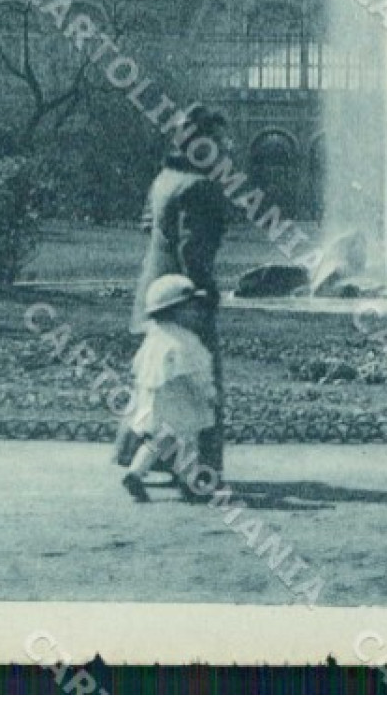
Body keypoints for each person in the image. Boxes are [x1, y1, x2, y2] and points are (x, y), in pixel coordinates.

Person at [129, 103, 230, 474]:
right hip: (182, 297)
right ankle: (201, 468)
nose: (225, 147)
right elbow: (193, 248)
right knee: (196, 380)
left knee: (158, 382)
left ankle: (141, 459)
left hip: (154, 291)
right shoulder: (200, 186)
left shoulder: (165, 178)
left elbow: (147, 225)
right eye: (218, 140)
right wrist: (204, 291)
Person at [117, 274, 219, 503]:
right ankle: (188, 483)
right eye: (190, 309)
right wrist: (209, 393)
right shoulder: (185, 341)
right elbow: (196, 373)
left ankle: (135, 472)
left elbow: (141, 369)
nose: (196, 313)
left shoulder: (154, 337)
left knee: (157, 440)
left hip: (156, 399)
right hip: (181, 399)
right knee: (187, 440)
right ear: (175, 311)